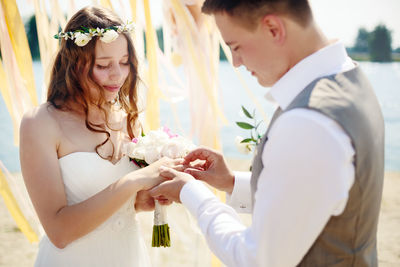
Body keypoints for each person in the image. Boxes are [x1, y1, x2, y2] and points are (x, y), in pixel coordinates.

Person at [150, 0, 385, 266]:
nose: (236, 63)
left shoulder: (308, 122)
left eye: (235, 47)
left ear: (273, 28)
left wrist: (191, 194)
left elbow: (257, 259)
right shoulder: (347, 76)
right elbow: (311, 199)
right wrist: (231, 182)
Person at [19, 6, 179, 267]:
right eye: (103, 65)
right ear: (74, 65)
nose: (117, 75)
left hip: (128, 257)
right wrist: (133, 180)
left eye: (124, 62)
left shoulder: (129, 119)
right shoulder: (40, 123)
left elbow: (126, 206)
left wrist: (149, 196)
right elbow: (59, 232)